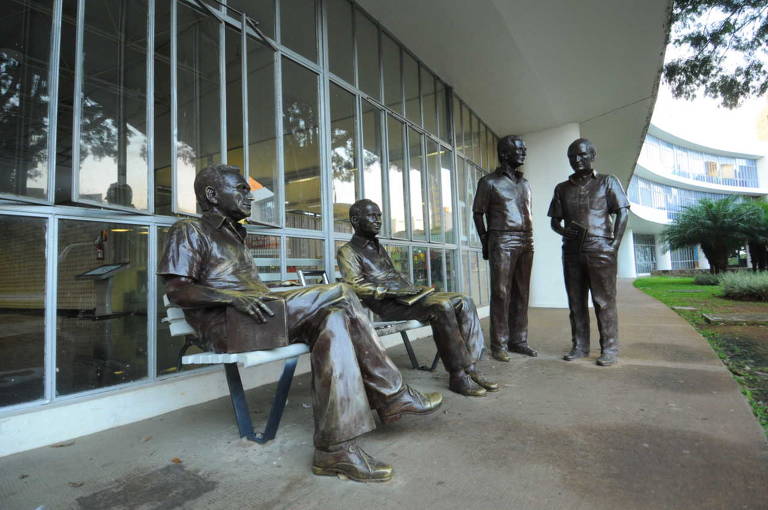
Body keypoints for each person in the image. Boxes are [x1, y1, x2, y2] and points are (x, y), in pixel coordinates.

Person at [158, 164, 442, 483]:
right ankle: (391, 395)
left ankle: (334, 449)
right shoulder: (188, 229)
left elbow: (252, 291)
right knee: (341, 292)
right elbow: (178, 289)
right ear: (211, 195)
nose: (249, 196)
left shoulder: (235, 234)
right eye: (241, 189)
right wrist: (232, 298)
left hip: (259, 317)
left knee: (334, 319)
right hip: (228, 325)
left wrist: (267, 294)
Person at [337, 199, 499, 398]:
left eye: (379, 216)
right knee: (441, 306)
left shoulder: (378, 246)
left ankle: (472, 367)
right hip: (387, 305)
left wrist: (412, 288)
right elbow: (353, 285)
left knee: (464, 300)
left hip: (408, 298)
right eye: (372, 216)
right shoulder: (347, 251)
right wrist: (389, 292)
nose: (378, 220)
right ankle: (458, 376)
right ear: (355, 220)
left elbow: (393, 274)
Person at [547, 138, 629, 366]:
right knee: (576, 302)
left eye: (583, 155)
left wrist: (615, 245)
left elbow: (623, 213)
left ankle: (610, 348)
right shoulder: (561, 188)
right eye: (572, 156)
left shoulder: (607, 182)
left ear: (593, 156)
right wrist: (564, 232)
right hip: (572, 252)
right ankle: (580, 346)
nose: (577, 159)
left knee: (604, 302)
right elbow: (554, 222)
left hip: (601, 249)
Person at [472, 135, 538, 362]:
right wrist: (485, 241)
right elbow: (478, 213)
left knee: (522, 292)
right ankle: (499, 343)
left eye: (524, 148)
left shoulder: (525, 184)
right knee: (501, 293)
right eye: (518, 148)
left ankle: (518, 341)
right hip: (501, 239)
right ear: (504, 154)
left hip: (526, 240)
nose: (523, 152)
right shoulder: (489, 182)